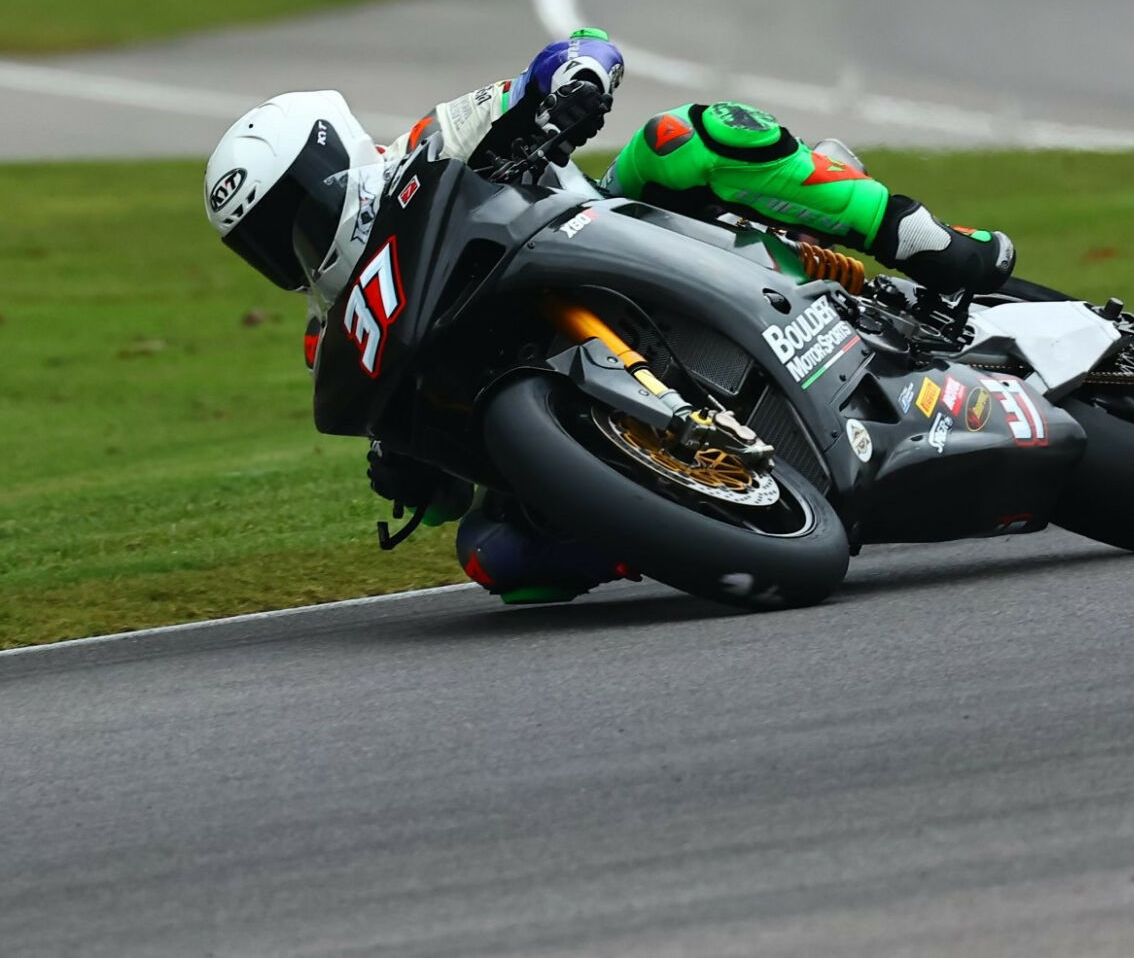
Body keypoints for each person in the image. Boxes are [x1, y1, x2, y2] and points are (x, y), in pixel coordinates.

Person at [202, 29, 1015, 604]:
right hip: (558, 386)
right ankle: (677, 517)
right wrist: (409, 468)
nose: (293, 247)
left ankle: (928, 241)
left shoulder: (431, 140)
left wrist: (576, 81)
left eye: (295, 214)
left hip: (629, 235)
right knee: (497, 558)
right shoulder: (335, 334)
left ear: (336, 157)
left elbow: (576, 50)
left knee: (680, 138)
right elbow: (448, 475)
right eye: (268, 243)